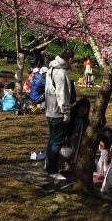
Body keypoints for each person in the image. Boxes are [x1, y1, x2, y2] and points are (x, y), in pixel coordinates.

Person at [44, 47, 75, 180]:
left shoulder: (51, 69)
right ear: (70, 59)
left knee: (52, 141)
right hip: (57, 112)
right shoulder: (61, 73)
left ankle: (49, 165)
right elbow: (61, 94)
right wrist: (66, 113)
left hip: (50, 110)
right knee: (56, 142)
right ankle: (52, 170)